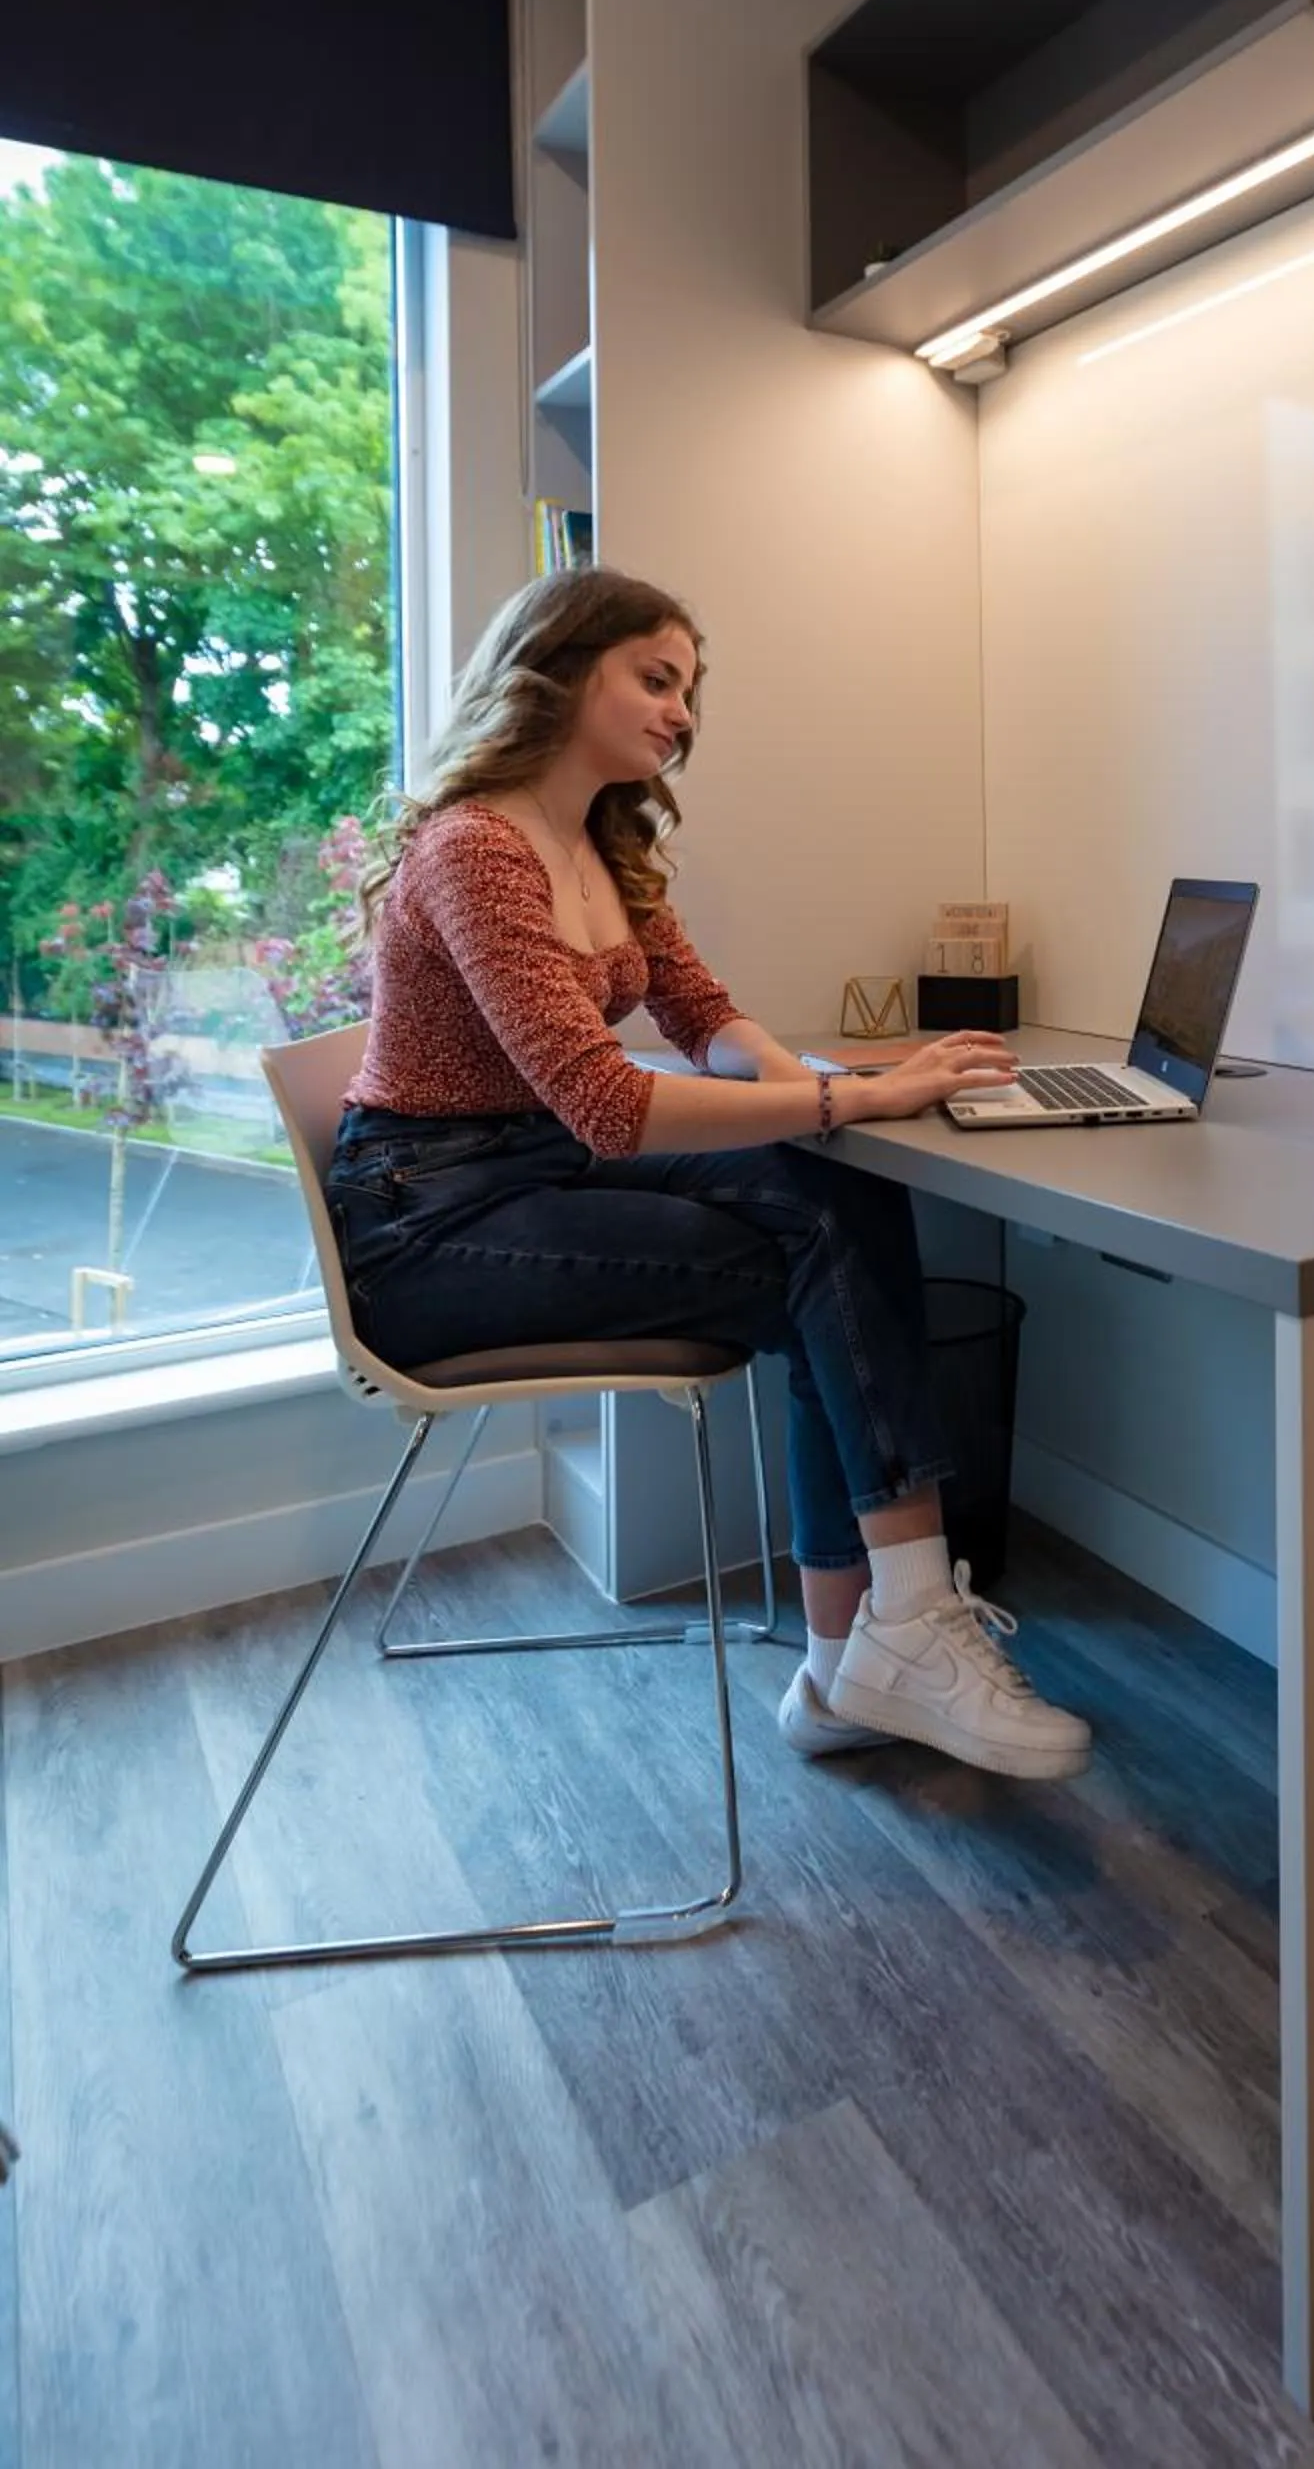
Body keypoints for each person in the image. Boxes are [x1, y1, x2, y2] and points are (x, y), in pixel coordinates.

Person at [328, 566, 1090, 1782]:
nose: (680, 713)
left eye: (687, 689)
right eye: (655, 678)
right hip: (427, 1226)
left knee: (836, 1202)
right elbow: (607, 1103)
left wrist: (818, 1106)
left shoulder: (599, 842)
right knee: (823, 1269)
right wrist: (851, 1097)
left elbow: (704, 1018)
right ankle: (881, 1638)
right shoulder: (474, 850)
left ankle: (867, 1654)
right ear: (558, 669)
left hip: (537, 1170)